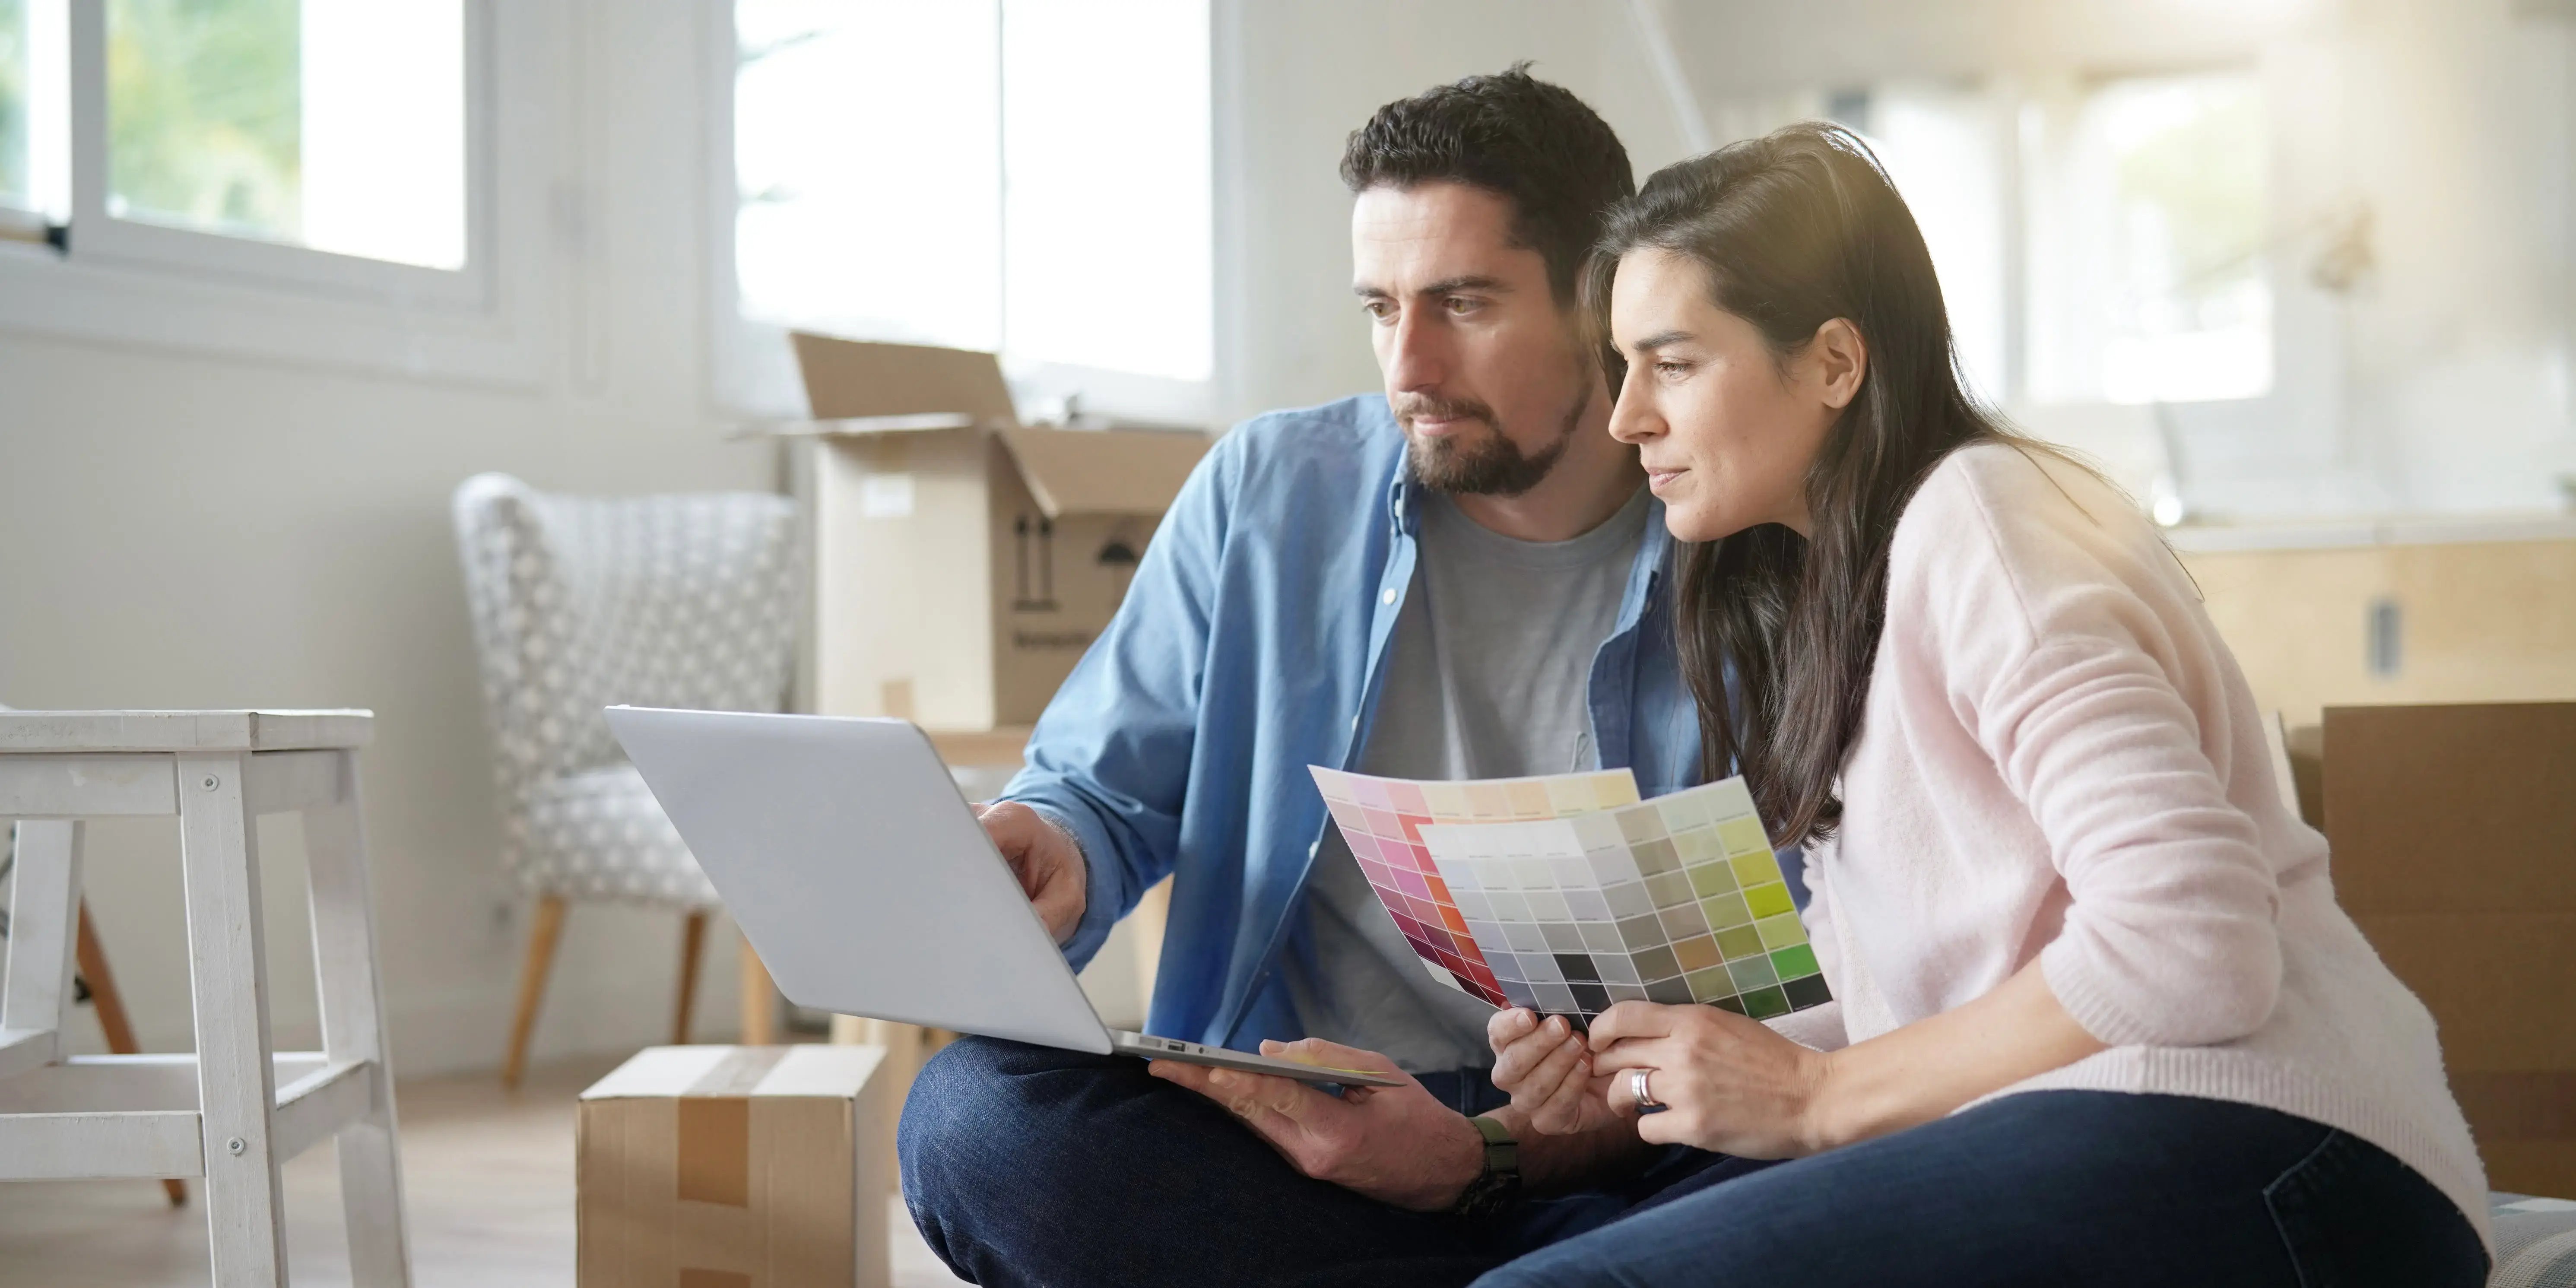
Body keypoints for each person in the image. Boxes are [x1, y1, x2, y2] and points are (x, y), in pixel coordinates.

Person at [1475, 122, 2494, 1287]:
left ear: (1832, 365)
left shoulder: (1982, 514)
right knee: (1527, 1250)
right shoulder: (1828, 588)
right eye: (1622, 367)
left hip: (2285, 1150)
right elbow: (1899, 997)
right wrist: (1637, 1075)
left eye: (1674, 363)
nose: (1625, 419)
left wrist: (1815, 1098)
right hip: (2106, 1129)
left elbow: (2189, 942)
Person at [899, 69, 1782, 1288]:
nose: (1407, 364)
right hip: (1300, 1117)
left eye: (1462, 302)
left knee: (1827, 1168)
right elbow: (1098, 793)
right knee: (973, 1120)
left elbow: (1814, 975)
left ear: (1603, 300)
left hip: (1624, 1140)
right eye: (1380, 306)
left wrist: (1514, 1145)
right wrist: (1054, 847)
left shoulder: (1752, 542)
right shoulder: (1268, 489)